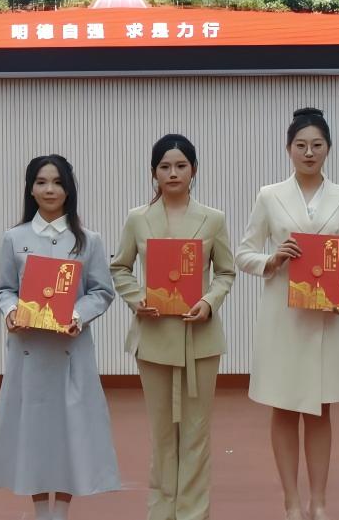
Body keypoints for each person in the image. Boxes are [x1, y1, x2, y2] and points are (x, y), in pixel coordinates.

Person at [235, 108, 339, 520]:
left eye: (316, 145)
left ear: (328, 148)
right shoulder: (269, 195)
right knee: (283, 407)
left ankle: (320, 501)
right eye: (301, 145)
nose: (309, 152)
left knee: (321, 408)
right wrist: (272, 258)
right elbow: (244, 252)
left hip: (327, 317)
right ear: (288, 149)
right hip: (283, 318)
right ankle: (291, 502)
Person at [0, 154, 120, 519]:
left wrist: (77, 315)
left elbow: (102, 292)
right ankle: (42, 510)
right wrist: (11, 312)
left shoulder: (88, 241)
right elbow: (5, 290)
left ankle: (62, 511)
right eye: (41, 182)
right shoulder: (14, 238)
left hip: (71, 351)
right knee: (35, 432)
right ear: (30, 189)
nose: (49, 189)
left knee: (70, 431)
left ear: (69, 189)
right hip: (30, 351)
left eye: (57, 182)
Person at [109, 133, 236, 520]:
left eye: (181, 165)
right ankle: (161, 511)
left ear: (194, 170)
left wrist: (208, 303)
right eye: (165, 166)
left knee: (196, 433)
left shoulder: (213, 218)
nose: (173, 173)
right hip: (154, 340)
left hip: (201, 340)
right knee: (163, 434)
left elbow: (226, 272)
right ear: (154, 173)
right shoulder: (138, 218)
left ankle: (193, 513)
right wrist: (137, 299)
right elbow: (120, 267)